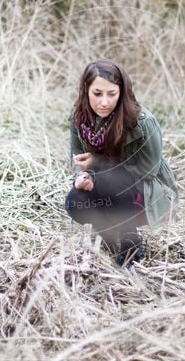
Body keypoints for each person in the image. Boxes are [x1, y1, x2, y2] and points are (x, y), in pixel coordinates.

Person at [65, 58, 179, 266]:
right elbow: (77, 157)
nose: (104, 102)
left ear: (122, 92)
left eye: (112, 94)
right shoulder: (78, 117)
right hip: (105, 184)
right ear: (85, 89)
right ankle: (107, 231)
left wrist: (97, 163)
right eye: (97, 93)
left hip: (145, 193)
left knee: (109, 179)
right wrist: (81, 177)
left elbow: (149, 169)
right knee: (75, 202)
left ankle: (131, 244)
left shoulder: (142, 122)